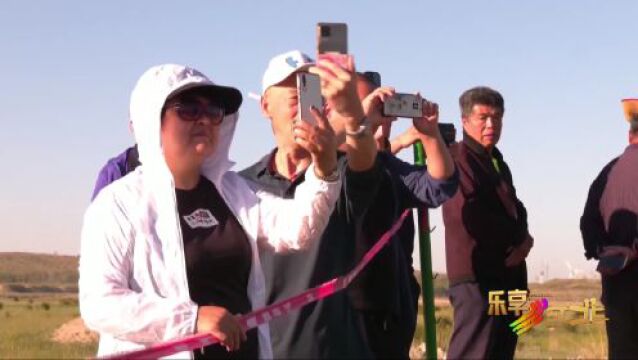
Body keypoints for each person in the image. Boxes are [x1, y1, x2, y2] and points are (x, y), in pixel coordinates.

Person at [79, 63, 342, 359]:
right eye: (188, 108)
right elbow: (99, 304)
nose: (204, 119)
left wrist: (325, 167)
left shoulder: (232, 192)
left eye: (214, 111)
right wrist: (191, 319)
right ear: (152, 118)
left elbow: (298, 231)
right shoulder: (119, 203)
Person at [239, 50, 382, 358]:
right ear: (266, 106)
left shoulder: (341, 171)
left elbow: (365, 159)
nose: (305, 109)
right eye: (295, 98)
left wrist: (353, 114)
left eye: (313, 96)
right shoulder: (240, 186)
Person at [348, 73, 458, 358]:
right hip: (339, 311)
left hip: (390, 307)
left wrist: (430, 135)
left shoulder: (389, 167)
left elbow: (439, 185)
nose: (373, 112)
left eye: (379, 107)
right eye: (360, 105)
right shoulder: (320, 165)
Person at [442, 86, 533, 359]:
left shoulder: (496, 161)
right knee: (474, 351)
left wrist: (524, 238)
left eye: (497, 117)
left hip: (507, 276)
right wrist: (516, 240)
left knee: (501, 349)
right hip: (476, 277)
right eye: (483, 117)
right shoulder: (457, 158)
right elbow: (469, 214)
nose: (491, 124)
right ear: (465, 120)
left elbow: (515, 207)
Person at [580, 115, 638, 359]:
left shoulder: (608, 172)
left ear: (629, 136)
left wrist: (604, 250)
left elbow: (587, 223)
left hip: (616, 282)